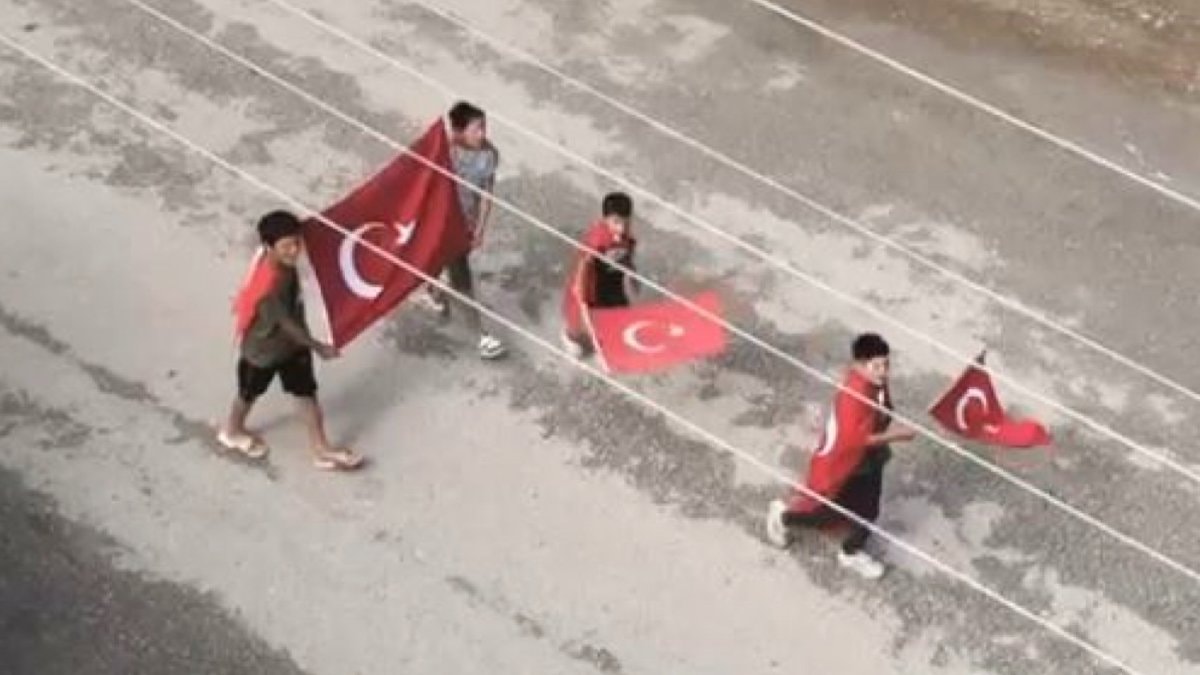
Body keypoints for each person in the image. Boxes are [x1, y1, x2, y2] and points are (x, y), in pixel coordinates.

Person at [218, 210, 364, 471]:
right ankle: (232, 430)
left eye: (297, 243)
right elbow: (286, 324)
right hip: (263, 352)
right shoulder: (268, 285)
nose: (294, 251)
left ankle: (321, 448)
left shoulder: (284, 266)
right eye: (286, 246)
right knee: (248, 395)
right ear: (269, 246)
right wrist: (318, 347)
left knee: (306, 393)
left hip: (292, 347)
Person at [765, 333, 915, 579]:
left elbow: (881, 413)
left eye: (886, 365)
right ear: (859, 365)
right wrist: (897, 435)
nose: (883, 372)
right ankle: (783, 518)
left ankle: (850, 551)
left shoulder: (873, 383)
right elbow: (856, 440)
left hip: (868, 459)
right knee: (831, 513)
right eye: (876, 366)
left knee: (866, 510)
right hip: (848, 465)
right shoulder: (854, 398)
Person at [418, 101, 506, 360]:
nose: (483, 133)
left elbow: (487, 193)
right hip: (440, 223)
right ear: (458, 132)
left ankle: (435, 293)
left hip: (463, 226)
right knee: (456, 277)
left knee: (453, 270)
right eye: (476, 128)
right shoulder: (445, 152)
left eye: (484, 127)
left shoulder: (489, 155)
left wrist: (480, 228)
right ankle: (480, 336)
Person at [560, 192, 639, 357]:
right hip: (593, 282)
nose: (621, 228)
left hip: (612, 281)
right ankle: (574, 338)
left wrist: (632, 276)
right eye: (616, 222)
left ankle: (609, 340)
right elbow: (584, 266)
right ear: (605, 219)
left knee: (619, 312)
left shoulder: (627, 238)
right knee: (585, 316)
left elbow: (628, 257)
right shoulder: (598, 239)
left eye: (626, 222)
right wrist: (581, 292)